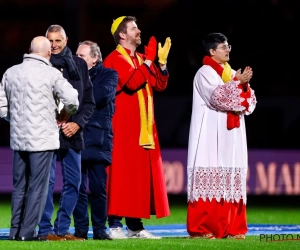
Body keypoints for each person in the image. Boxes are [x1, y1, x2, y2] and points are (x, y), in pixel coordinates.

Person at [0, 36, 79, 241]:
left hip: (19, 138)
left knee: (19, 187)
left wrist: (17, 120)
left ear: (29, 49)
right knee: (38, 187)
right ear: (48, 53)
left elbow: (2, 108)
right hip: (42, 140)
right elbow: (72, 98)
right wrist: (66, 113)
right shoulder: (51, 74)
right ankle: (27, 234)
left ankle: (15, 231)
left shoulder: (11, 72)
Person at [102, 16, 171, 239]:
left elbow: (159, 85)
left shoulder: (142, 58)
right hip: (122, 128)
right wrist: (149, 63)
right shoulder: (114, 59)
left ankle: (135, 226)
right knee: (120, 176)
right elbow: (131, 83)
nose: (139, 31)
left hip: (144, 128)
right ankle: (114, 224)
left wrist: (161, 64)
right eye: (134, 28)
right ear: (122, 35)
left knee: (138, 178)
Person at [186, 32, 257, 240]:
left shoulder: (231, 73)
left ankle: (232, 227)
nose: (228, 50)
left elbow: (249, 102)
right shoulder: (204, 73)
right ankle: (201, 228)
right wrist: (238, 83)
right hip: (209, 133)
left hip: (231, 135)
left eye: (228, 46)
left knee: (230, 178)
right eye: (223, 47)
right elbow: (217, 98)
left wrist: (243, 85)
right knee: (210, 175)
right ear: (212, 51)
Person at [38, 25, 95, 241]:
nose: (53, 45)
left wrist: (77, 124)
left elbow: (88, 102)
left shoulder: (79, 65)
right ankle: (45, 231)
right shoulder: (41, 65)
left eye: (57, 41)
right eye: (50, 41)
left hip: (73, 133)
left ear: (66, 40)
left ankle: (61, 229)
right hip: (48, 133)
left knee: (74, 183)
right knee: (47, 183)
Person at [72, 40, 118, 240]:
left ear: (95, 58)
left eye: (82, 56)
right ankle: (81, 230)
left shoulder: (109, 74)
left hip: (99, 139)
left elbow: (100, 97)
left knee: (98, 189)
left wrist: (76, 90)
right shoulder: (71, 75)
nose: (77, 59)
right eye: (76, 55)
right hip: (75, 137)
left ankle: (100, 230)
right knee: (77, 188)